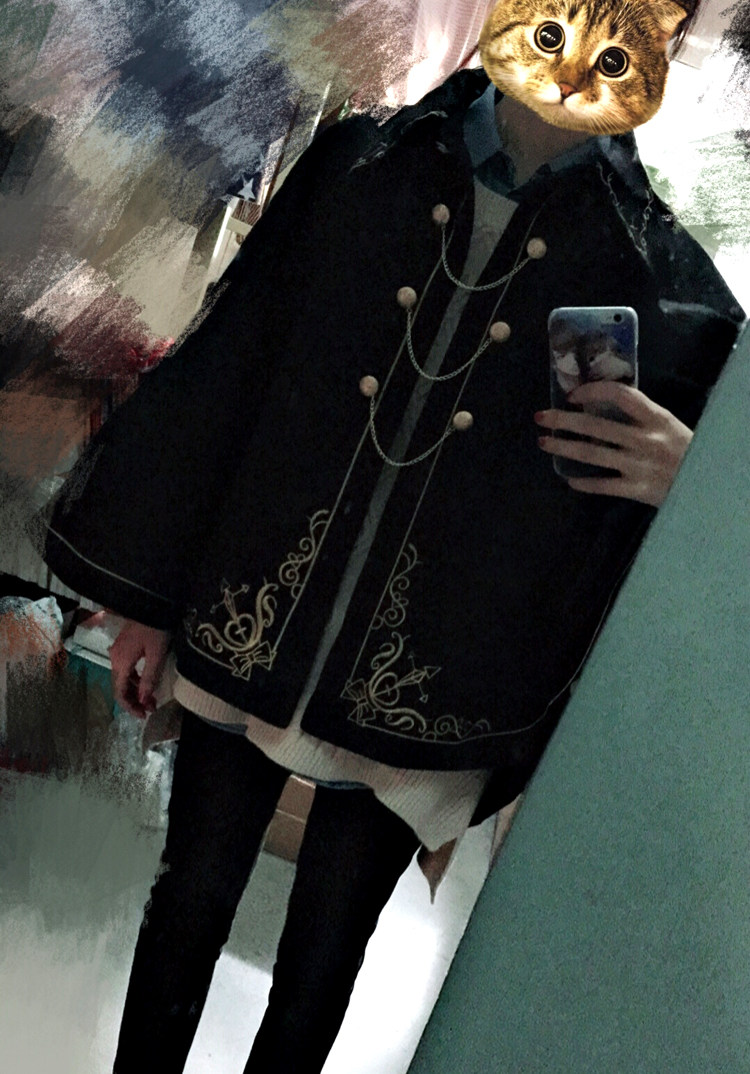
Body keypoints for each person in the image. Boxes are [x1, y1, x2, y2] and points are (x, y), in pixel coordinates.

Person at [44, 3, 744, 1071]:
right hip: (253, 612)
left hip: (434, 679)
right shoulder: (357, 169)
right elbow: (224, 379)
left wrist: (697, 480)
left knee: (325, 961)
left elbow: (614, 542)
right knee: (186, 903)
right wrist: (143, 597)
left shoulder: (665, 286)